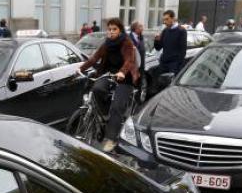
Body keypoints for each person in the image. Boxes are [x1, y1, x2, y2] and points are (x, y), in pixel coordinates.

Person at [78, 17, 139, 152]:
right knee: (97, 89)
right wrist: (80, 69)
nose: (111, 32)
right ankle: (105, 114)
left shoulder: (126, 42)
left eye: (114, 29)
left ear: (120, 30)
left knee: (117, 107)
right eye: (109, 29)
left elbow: (129, 60)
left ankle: (111, 139)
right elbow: (94, 58)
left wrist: (122, 72)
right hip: (109, 74)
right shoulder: (106, 44)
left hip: (125, 76)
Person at [153, 10, 188, 75]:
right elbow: (158, 48)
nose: (164, 22)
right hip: (164, 64)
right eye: (164, 20)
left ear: (173, 18)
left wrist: (177, 66)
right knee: (161, 84)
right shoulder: (165, 31)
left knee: (170, 84)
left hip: (174, 66)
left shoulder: (181, 31)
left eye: (167, 19)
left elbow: (183, 51)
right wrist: (156, 40)